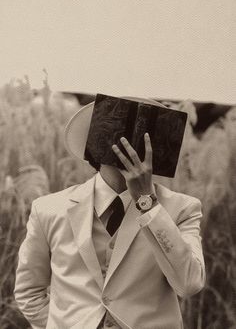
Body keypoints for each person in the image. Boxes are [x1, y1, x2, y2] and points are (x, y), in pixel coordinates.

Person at [14, 97, 205, 329]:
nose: (133, 147)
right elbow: (28, 292)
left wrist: (148, 203)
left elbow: (189, 284)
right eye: (120, 135)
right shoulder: (49, 209)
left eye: (146, 138)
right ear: (96, 143)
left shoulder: (183, 208)